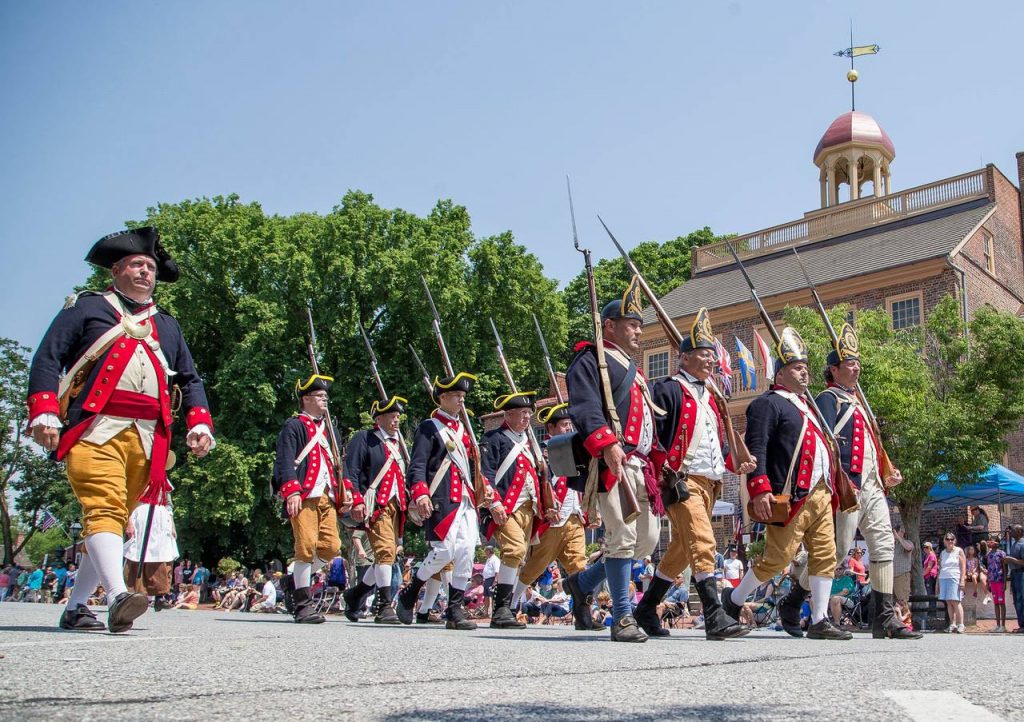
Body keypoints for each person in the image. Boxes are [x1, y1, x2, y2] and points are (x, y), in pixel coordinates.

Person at [27, 227, 214, 633]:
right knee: (105, 507)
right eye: (137, 264)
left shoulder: (166, 324)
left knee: (114, 518)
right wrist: (43, 411)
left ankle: (76, 607)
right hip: (95, 428)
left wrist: (200, 420)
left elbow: (190, 378)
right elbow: (48, 358)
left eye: (150, 267)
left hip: (149, 437)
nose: (146, 272)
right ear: (116, 270)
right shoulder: (85, 308)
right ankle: (116, 597)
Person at [777, 324, 919, 640]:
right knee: (838, 550)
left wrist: (886, 469)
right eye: (850, 364)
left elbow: (871, 444)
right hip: (847, 484)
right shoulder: (828, 399)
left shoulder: (860, 403)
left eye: (857, 363)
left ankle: (884, 619)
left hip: (872, 484)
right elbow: (820, 441)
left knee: (884, 544)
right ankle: (793, 601)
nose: (856, 368)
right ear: (834, 369)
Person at [724, 327, 851, 641]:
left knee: (825, 554)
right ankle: (734, 600)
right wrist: (760, 488)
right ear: (780, 372)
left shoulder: (806, 406)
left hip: (821, 491)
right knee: (777, 559)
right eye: (797, 367)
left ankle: (820, 619)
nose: (805, 372)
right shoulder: (768, 403)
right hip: (790, 494)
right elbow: (757, 448)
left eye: (806, 367)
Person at [633, 309, 752, 640]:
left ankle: (646, 608)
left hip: (710, 483)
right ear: (684, 358)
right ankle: (715, 615)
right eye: (704, 354)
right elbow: (653, 435)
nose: (711, 361)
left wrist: (735, 463)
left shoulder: (712, 398)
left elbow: (713, 443)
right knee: (703, 540)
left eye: (713, 355)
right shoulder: (668, 390)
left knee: (683, 550)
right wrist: (657, 475)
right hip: (680, 480)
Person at [563, 278, 665, 643]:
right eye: (631, 324)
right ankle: (622, 617)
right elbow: (585, 406)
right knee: (620, 537)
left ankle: (582, 583)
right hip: (612, 462)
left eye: (639, 325)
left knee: (647, 540)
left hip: (640, 465)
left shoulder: (634, 372)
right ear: (609, 326)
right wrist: (606, 443)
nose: (638, 331)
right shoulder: (591, 360)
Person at [396, 372, 499, 631]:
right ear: (442, 397)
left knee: (465, 552)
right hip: (442, 498)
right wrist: (419, 492)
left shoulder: (463, 430)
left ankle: (455, 609)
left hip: (465, 499)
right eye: (456, 396)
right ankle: (412, 591)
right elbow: (417, 463)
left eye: (463, 397)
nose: (461, 401)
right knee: (444, 551)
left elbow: (473, 468)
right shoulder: (430, 427)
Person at [273, 373, 354, 624]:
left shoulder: (330, 429)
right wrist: (292, 491)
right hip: (305, 494)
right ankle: (302, 605)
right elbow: (285, 460)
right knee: (306, 547)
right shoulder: (294, 425)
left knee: (331, 547)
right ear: (306, 399)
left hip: (327, 495)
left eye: (325, 396)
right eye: (320, 396)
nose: (325, 400)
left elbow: (339, 463)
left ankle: (293, 581)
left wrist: (347, 489)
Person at [517, 404, 591, 629]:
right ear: (551, 428)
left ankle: (583, 615)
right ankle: (509, 604)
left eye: (570, 424)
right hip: (553, 520)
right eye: (564, 424)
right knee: (535, 567)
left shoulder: (576, 448)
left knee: (580, 567)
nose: (569, 427)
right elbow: (540, 484)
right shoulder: (542, 453)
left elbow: (583, 485)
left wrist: (588, 512)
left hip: (575, 517)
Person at [342, 395, 410, 625]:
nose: (396, 420)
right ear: (379, 418)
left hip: (396, 505)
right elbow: (351, 470)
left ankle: (357, 594)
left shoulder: (398, 444)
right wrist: (357, 499)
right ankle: (384, 606)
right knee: (385, 553)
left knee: (386, 553)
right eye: (392, 415)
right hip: (375, 504)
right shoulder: (365, 438)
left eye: (398, 416)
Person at [480, 391, 546, 629]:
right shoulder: (494, 439)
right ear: (508, 414)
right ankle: (501, 609)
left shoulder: (528, 444)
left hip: (528, 509)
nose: (528, 417)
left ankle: (504, 610)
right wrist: (494, 502)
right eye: (522, 412)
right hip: (505, 506)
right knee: (515, 549)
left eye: (529, 412)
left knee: (516, 557)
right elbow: (485, 475)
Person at [122, 501, 178, 610]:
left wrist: (172, 526)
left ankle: (160, 596)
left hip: (160, 517)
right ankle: (132, 594)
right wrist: (128, 522)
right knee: (136, 554)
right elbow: (129, 498)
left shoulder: (164, 485)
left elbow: (168, 505)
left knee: (161, 556)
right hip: (141, 514)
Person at [938, 533, 967, 633]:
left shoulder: (959, 551)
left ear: (954, 540)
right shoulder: (942, 553)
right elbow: (940, 567)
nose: (950, 541)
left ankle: (961, 624)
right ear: (944, 541)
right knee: (948, 601)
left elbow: (963, 566)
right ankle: (952, 623)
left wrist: (962, 580)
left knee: (955, 601)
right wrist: (937, 583)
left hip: (955, 577)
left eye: (952, 539)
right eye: (947, 539)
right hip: (943, 577)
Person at [1003, 525, 1024, 633]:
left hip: (1021, 575)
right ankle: (1021, 625)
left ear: (1020, 531)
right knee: (1016, 601)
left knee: (1021, 600)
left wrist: (1011, 559)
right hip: (1015, 575)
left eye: (1013, 530)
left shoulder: (1022, 544)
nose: (1011, 532)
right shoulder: (1014, 543)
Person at [985, 539, 1008, 632]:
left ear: (997, 543)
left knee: (1001, 603)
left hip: (1000, 580)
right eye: (988, 542)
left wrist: (1005, 582)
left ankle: (1003, 626)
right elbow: (989, 569)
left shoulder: (1002, 553)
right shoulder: (988, 554)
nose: (989, 543)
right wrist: (988, 582)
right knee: (996, 603)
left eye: (991, 541)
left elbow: (1004, 568)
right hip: (992, 581)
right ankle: (997, 625)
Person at [891, 523, 915, 607]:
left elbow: (908, 548)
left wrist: (898, 537)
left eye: (902, 532)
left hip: (901, 576)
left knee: (902, 601)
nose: (902, 533)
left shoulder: (908, 542)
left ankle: (906, 620)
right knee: (893, 603)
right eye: (900, 531)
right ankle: (896, 620)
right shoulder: (891, 545)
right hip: (891, 577)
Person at [481, 546, 500, 617]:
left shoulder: (495, 559)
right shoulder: (488, 559)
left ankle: (493, 612)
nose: (485, 553)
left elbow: (497, 571)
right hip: (486, 579)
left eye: (485, 551)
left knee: (492, 596)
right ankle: (486, 613)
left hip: (492, 579)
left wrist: (495, 581)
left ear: (489, 551)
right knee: (486, 596)